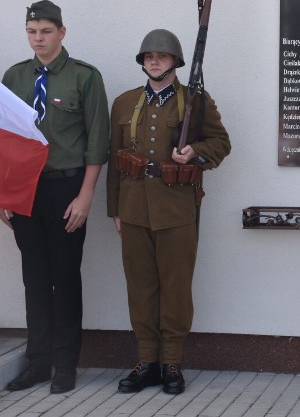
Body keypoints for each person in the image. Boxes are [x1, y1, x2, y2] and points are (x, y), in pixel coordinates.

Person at [0, 0, 110, 394]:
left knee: (64, 276)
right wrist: (1, 191)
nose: (38, 39)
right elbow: (2, 138)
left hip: (65, 188)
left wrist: (85, 197)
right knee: (35, 279)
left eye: (45, 31)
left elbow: (98, 142)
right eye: (31, 32)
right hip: (25, 188)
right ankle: (37, 364)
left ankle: (65, 364)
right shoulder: (14, 77)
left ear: (62, 32)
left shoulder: (84, 77)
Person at [106, 29, 230, 395]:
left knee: (175, 287)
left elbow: (221, 143)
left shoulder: (196, 100)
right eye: (148, 56)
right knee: (140, 286)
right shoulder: (125, 102)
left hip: (177, 208)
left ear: (175, 61)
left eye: (161, 56)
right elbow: (114, 159)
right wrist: (114, 208)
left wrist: (193, 152)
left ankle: (172, 362)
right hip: (132, 208)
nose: (154, 61)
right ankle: (146, 361)